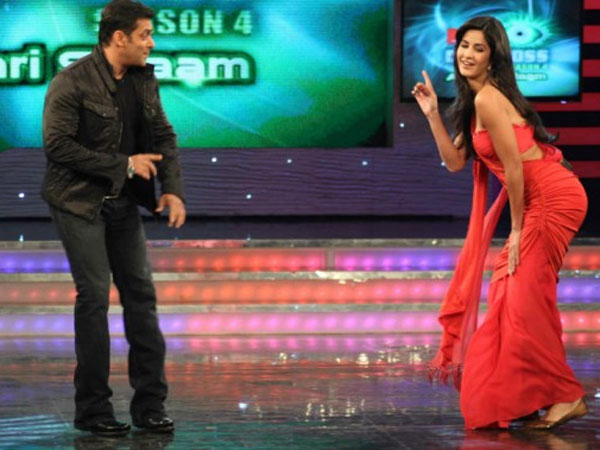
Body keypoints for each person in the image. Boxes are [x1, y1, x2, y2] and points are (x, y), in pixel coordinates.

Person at [412, 16, 588, 429]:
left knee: (523, 300)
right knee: (512, 299)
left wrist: (518, 231)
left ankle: (565, 395)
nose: (467, 54)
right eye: (464, 46)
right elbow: (455, 162)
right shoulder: (474, 102)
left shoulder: (490, 100)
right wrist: (433, 114)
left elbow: (513, 169)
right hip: (538, 199)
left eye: (479, 48)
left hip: (551, 199)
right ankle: (527, 398)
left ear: (493, 58)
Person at [42, 0, 185, 437]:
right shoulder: (71, 81)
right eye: (145, 34)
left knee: (141, 296)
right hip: (78, 201)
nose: (151, 43)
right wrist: (123, 164)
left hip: (123, 203)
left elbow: (163, 135)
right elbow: (57, 146)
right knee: (94, 298)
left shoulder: (143, 79)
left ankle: (150, 406)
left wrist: (172, 188)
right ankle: (93, 410)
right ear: (119, 37)